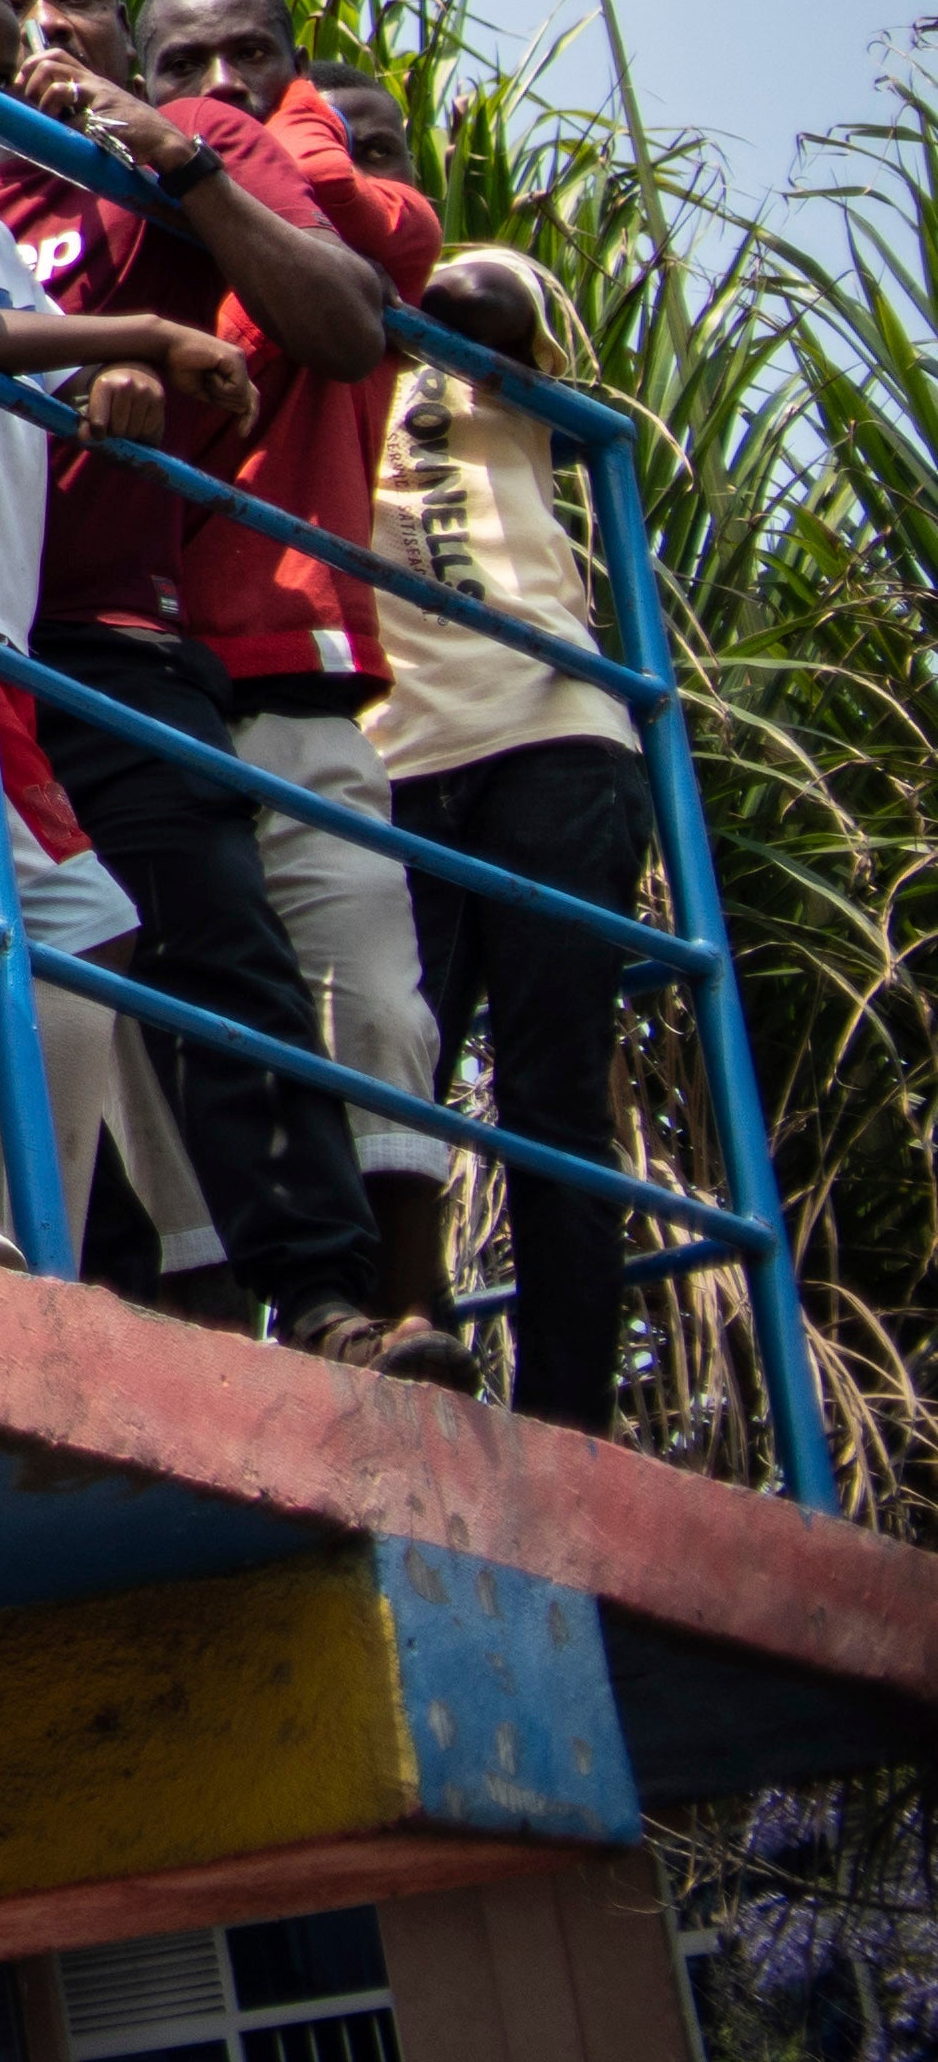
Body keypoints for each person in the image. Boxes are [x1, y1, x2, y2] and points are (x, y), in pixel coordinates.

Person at [0, 0, 433, 1363]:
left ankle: (331, 1300)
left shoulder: (180, 147)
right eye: (6, 13)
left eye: (78, 8)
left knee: (220, 953)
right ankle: (80, 1303)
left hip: (110, 631)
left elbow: (345, 323)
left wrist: (158, 146)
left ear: (118, 27)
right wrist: (122, 348)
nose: (45, 40)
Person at [133, 0, 461, 1332]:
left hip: (299, 671)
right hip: (138, 666)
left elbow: (380, 258)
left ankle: (403, 1321)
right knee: (177, 1017)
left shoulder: (333, 200)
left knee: (372, 1003)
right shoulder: (104, 211)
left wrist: (251, 139)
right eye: (182, 70)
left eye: (251, 59)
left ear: (295, 67)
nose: (219, 88)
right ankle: (223, 1322)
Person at [376, 244, 655, 1427]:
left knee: (552, 1102)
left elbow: (481, 303)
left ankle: (569, 1419)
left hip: (546, 729)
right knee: (394, 1083)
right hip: (390, 755)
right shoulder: (285, 332)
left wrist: (343, 241)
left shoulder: (456, 285)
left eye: (369, 144)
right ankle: (413, 1354)